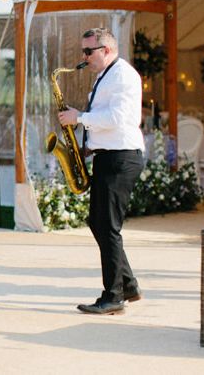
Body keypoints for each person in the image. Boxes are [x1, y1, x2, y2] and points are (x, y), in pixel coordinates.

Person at [58, 27, 145, 315]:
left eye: (88, 51)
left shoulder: (122, 75)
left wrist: (80, 118)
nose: (84, 57)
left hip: (121, 157)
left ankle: (114, 296)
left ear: (106, 50)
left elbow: (119, 118)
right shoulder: (105, 75)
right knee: (98, 222)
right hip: (108, 156)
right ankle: (128, 284)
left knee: (108, 226)